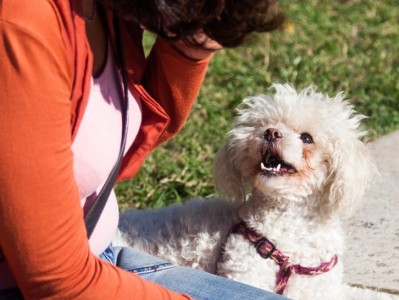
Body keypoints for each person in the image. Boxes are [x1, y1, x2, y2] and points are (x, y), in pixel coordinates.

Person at [0, 0, 285, 298]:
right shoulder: (22, 25)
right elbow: (57, 281)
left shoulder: (107, 8)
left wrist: (192, 42)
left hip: (100, 255)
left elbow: (107, 150)